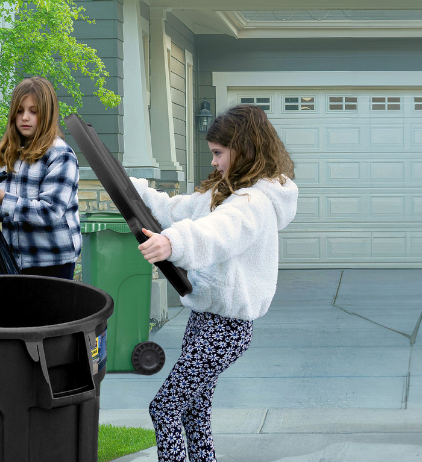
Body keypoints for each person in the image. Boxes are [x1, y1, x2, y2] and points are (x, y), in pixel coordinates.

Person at [130, 104, 299, 461]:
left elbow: (216, 233)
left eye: (219, 153)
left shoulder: (251, 204)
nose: (215, 162)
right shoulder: (229, 193)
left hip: (224, 329)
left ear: (244, 148)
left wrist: (173, 243)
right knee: (193, 410)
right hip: (207, 322)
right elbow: (181, 209)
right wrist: (136, 191)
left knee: (165, 408)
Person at [0, 76, 81, 280]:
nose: (25, 117)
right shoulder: (5, 153)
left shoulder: (60, 155)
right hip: (12, 259)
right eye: (20, 111)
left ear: (47, 115)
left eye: (34, 111)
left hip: (52, 262)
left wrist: (2, 199)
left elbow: (50, 212)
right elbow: (4, 205)